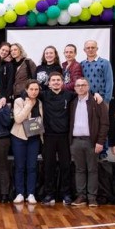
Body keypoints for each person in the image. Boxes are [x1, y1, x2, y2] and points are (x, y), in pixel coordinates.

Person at [69, 77, 109, 207]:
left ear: (88, 87)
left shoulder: (97, 102)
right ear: (75, 88)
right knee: (79, 169)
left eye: (83, 85)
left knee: (92, 170)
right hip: (75, 142)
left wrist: (100, 142)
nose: (80, 87)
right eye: (78, 85)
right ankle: (81, 196)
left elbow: (104, 123)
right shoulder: (72, 103)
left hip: (91, 142)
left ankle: (92, 198)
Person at [39, 72, 78, 206]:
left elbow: (84, 94)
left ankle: (66, 194)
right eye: (53, 80)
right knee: (48, 166)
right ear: (49, 83)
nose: (55, 82)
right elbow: (25, 93)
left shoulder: (69, 95)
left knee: (65, 166)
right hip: (48, 136)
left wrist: (96, 94)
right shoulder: (43, 95)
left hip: (64, 136)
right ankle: (49, 194)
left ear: (62, 82)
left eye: (58, 80)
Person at [11, 81, 43, 204]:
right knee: (19, 166)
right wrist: (28, 105)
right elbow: (18, 119)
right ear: (26, 89)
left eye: (36, 89)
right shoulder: (19, 101)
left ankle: (31, 193)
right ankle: (19, 193)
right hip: (19, 137)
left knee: (32, 167)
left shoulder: (40, 102)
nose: (34, 92)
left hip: (34, 137)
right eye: (31, 89)